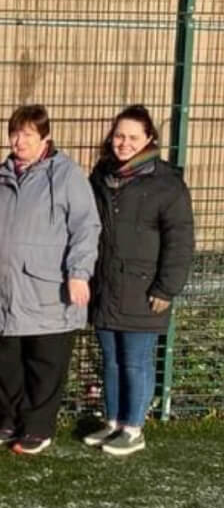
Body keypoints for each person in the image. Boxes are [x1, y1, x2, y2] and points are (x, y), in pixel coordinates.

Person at [0, 105, 101, 455]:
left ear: (45, 137)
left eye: (28, 134)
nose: (19, 141)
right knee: (8, 363)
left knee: (45, 364)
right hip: (4, 286)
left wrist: (79, 273)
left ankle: (37, 427)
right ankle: (8, 420)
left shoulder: (66, 176)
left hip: (48, 288)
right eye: (15, 133)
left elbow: (86, 227)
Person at [85, 105, 194, 457]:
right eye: (119, 135)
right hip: (106, 285)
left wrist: (166, 287)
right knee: (111, 359)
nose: (124, 143)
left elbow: (180, 240)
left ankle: (134, 427)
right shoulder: (101, 175)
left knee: (135, 360)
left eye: (133, 137)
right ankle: (114, 420)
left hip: (145, 289)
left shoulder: (167, 184)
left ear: (149, 139)